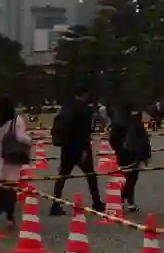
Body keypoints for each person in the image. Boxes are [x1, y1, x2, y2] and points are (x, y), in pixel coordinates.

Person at [49, 89, 102, 217]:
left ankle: (55, 204)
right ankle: (97, 202)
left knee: (62, 176)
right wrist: (84, 150)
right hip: (80, 147)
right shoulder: (85, 110)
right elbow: (85, 132)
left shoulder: (66, 107)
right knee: (90, 175)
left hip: (67, 147)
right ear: (86, 94)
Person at [0, 96, 32, 226]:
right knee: (11, 191)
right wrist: (30, 141)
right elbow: (21, 137)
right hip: (11, 161)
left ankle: (4, 217)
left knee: (0, 191)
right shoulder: (16, 121)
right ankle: (2, 216)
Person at [115, 103, 152, 208]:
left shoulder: (117, 122)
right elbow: (144, 139)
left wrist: (116, 149)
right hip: (133, 153)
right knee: (132, 178)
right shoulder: (135, 122)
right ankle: (126, 199)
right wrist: (146, 156)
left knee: (126, 177)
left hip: (121, 154)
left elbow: (112, 139)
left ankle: (128, 201)